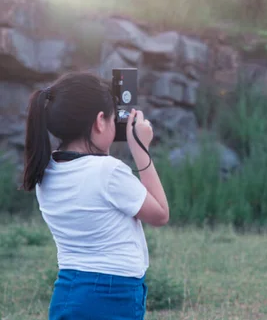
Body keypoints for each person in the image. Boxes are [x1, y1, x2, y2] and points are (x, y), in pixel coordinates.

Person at [21, 71, 170, 319]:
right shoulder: (108, 171)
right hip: (113, 293)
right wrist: (140, 149)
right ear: (100, 121)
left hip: (67, 289)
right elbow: (160, 214)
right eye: (113, 120)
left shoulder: (44, 172)